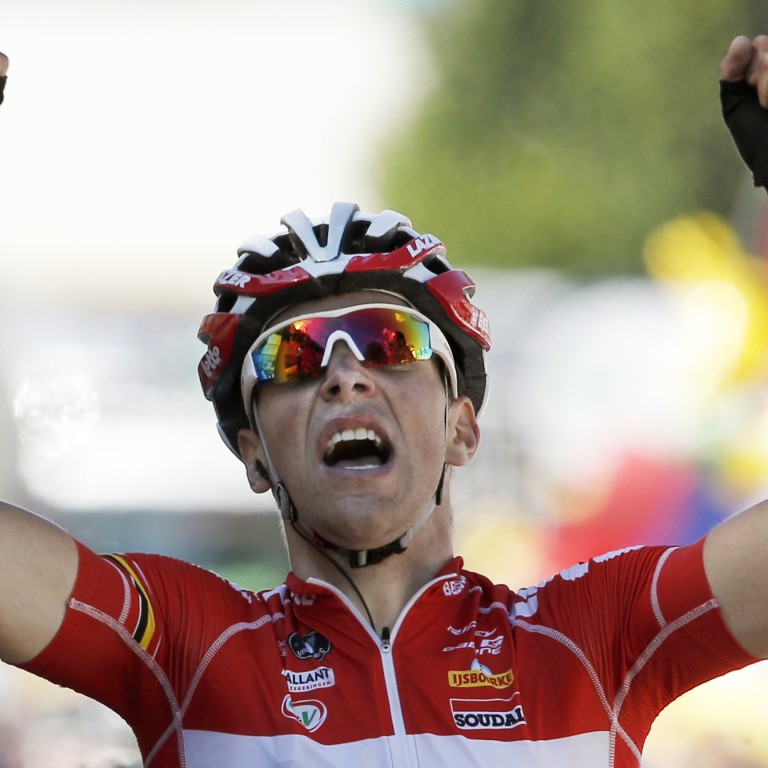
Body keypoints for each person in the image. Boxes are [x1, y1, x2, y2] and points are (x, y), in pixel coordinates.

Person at [2, 35, 768, 768]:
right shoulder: (188, 645)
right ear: (254, 456)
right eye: (291, 357)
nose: (345, 376)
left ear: (462, 428)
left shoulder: (595, 633)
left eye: (389, 340)